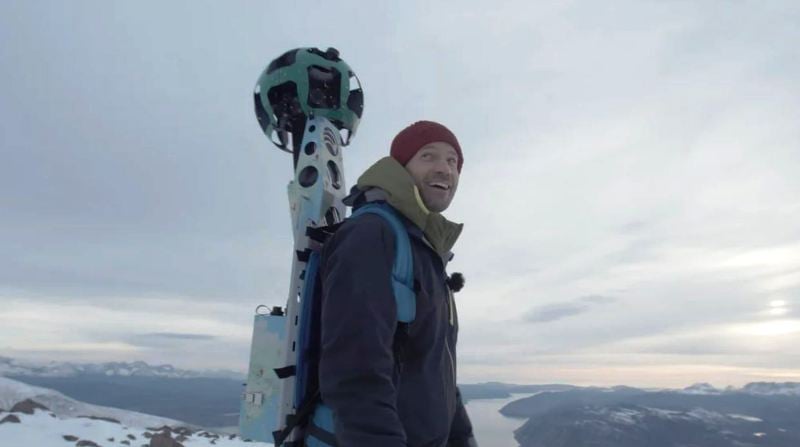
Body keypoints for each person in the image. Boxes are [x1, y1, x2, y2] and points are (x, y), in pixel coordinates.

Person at [318, 120, 477, 447]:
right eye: (428, 156)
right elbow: (355, 372)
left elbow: (437, 366)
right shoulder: (373, 236)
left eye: (452, 161)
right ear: (401, 168)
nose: (444, 169)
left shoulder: (427, 251)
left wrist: (461, 438)